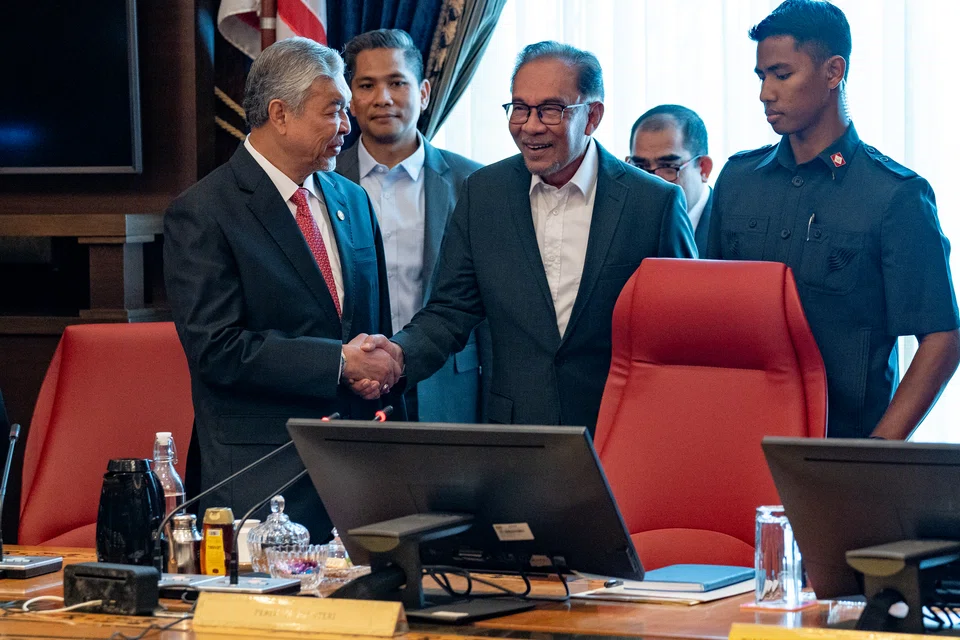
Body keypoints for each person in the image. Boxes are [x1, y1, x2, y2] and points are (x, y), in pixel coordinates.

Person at [356, 41, 696, 435]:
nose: (530, 126)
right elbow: (450, 311)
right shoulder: (483, 193)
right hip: (516, 432)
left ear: (592, 116)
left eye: (550, 110)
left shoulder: (653, 204)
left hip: (626, 429)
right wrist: (398, 354)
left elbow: (681, 334)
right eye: (519, 108)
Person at [164, 37, 401, 540]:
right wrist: (339, 362)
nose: (347, 126)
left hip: (358, 471)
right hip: (263, 478)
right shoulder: (205, 212)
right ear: (280, 114)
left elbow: (371, 328)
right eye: (334, 110)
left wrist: (379, 371)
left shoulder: (352, 199)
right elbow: (218, 350)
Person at [707, 0, 960, 439]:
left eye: (782, 74)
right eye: (761, 76)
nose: (766, 92)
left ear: (833, 72)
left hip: (840, 450)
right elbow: (708, 312)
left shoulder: (895, 194)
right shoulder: (737, 180)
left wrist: (878, 450)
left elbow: (942, 337)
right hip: (736, 437)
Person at [336, 29, 490, 423]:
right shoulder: (325, 183)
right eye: (367, 85)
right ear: (350, 100)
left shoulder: (474, 184)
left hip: (449, 382)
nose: (383, 98)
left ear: (423, 92)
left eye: (397, 82)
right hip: (351, 384)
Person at [628, 105, 713, 256]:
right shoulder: (624, 224)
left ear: (703, 168)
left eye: (668, 167)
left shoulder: (731, 227)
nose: (653, 181)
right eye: (640, 167)